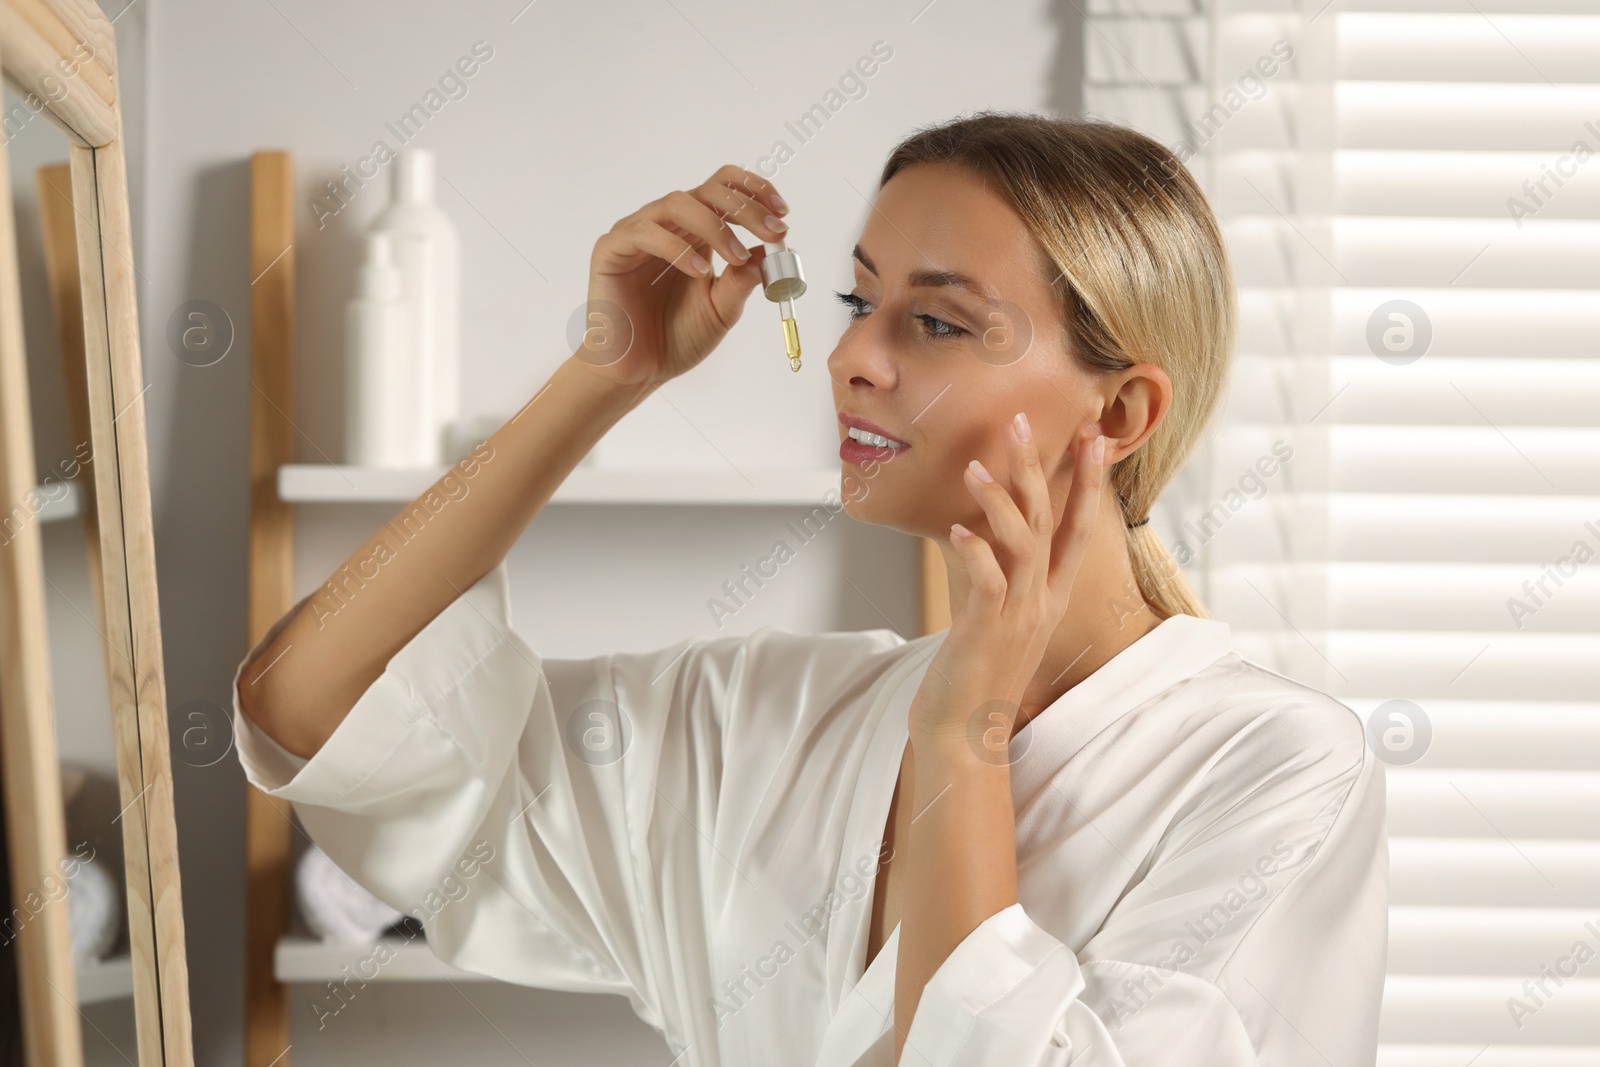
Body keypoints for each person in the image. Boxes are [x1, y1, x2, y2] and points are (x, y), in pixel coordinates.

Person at [232, 111, 1387, 1066]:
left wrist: (964, 729)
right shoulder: (759, 717)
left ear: (1121, 413)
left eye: (935, 321)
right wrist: (603, 376)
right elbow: (315, 705)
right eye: (855, 303)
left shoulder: (1276, 768)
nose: (852, 357)